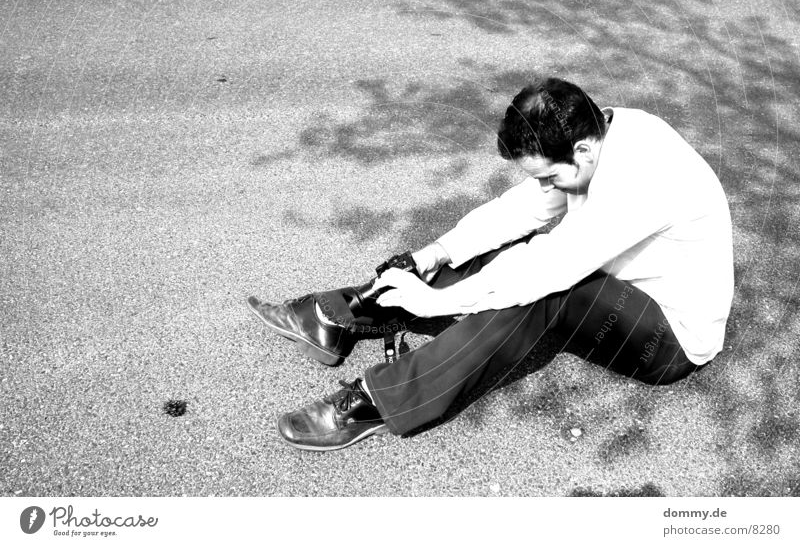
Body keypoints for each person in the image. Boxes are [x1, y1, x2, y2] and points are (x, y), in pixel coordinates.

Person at [247, 77, 734, 452]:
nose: (545, 188)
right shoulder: (600, 130)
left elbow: (547, 266)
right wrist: (434, 254)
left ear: (582, 150)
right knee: (484, 257)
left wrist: (438, 299)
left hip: (668, 340)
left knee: (542, 290)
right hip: (612, 284)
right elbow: (522, 209)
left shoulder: (644, 178)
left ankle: (378, 400)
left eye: (548, 176)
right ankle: (342, 314)